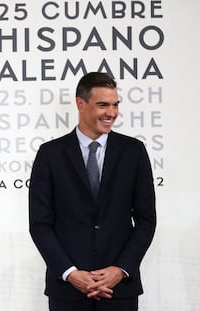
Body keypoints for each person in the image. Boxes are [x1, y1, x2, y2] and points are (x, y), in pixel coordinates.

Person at [29, 72, 156, 311]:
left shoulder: (134, 152)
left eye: (115, 105)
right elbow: (40, 224)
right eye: (103, 105)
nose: (111, 113)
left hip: (119, 288)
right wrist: (71, 273)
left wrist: (120, 270)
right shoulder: (50, 155)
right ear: (80, 104)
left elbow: (146, 220)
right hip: (68, 289)